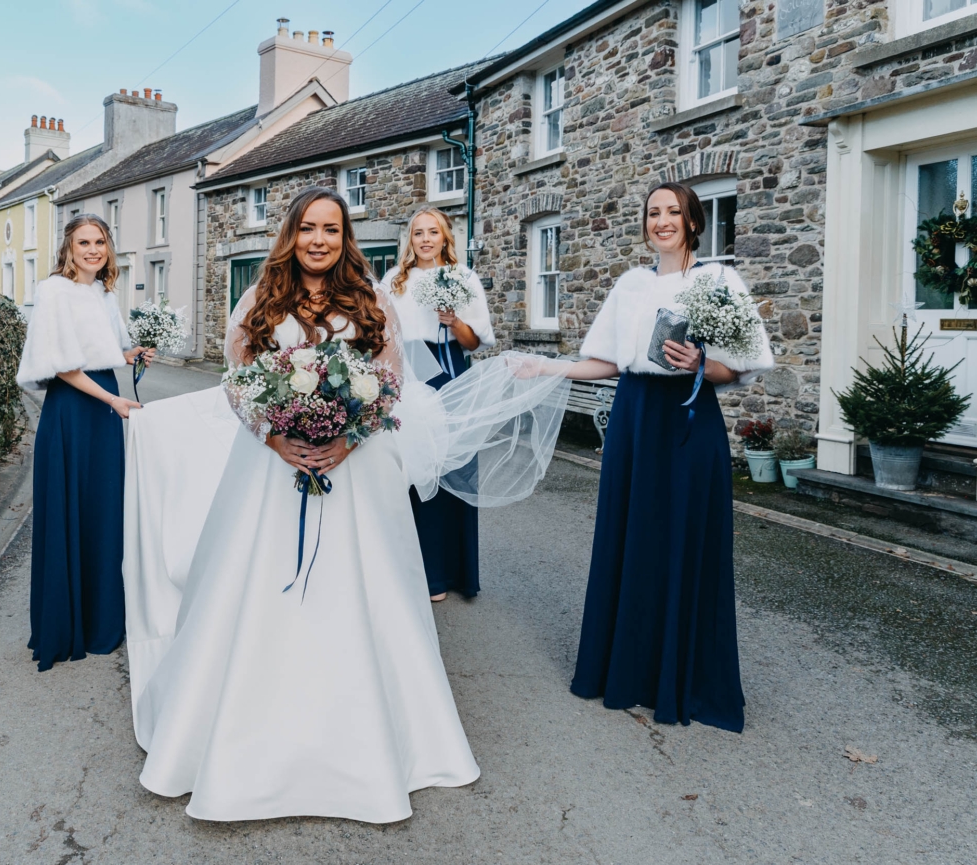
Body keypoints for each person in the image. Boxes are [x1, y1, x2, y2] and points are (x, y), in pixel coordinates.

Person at [133, 187, 480, 823]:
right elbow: (238, 383)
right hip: (273, 465)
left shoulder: (371, 300)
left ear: (344, 237)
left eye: (331, 229)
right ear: (291, 233)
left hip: (355, 466)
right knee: (260, 588)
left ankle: (369, 735)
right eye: (308, 228)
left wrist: (351, 436)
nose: (319, 239)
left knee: (362, 587)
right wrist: (274, 436)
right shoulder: (262, 299)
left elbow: (391, 378)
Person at [522, 182, 774, 732]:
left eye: (673, 212)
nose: (662, 221)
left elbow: (740, 369)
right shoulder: (630, 285)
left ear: (693, 222)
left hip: (686, 421)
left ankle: (681, 679)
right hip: (635, 420)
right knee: (632, 537)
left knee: (685, 539)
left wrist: (699, 364)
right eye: (653, 212)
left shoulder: (718, 281)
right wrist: (546, 368)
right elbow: (606, 363)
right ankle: (628, 670)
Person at [14, 214, 154, 672]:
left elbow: (101, 354)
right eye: (83, 242)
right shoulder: (54, 290)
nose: (93, 250)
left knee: (102, 511)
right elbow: (63, 366)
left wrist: (130, 354)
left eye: (100, 242)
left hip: (101, 408)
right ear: (68, 249)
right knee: (70, 510)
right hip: (74, 412)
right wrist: (113, 399)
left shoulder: (102, 292)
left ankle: (101, 622)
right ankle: (67, 626)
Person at [381, 206, 495, 601]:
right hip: (406, 377)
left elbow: (475, 342)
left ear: (446, 237)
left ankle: (448, 575)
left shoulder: (463, 278)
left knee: (453, 468)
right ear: (409, 240)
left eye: (433, 232)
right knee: (410, 468)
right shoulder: (394, 281)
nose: (426, 239)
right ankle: (412, 571)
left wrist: (454, 321)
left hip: (450, 377)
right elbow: (382, 336)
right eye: (418, 233)